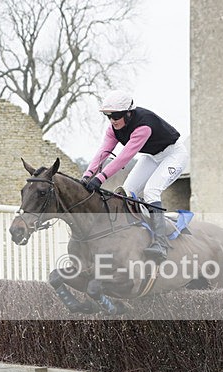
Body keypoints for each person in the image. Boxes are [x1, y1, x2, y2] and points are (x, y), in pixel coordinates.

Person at [81, 90, 189, 261]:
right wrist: (87, 175)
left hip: (174, 154)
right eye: (108, 116)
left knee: (151, 191)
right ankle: (132, 234)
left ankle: (161, 243)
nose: (112, 120)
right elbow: (103, 152)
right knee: (127, 192)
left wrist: (100, 178)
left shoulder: (143, 126)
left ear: (128, 113)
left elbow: (123, 157)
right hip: (152, 156)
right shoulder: (113, 129)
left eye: (116, 116)